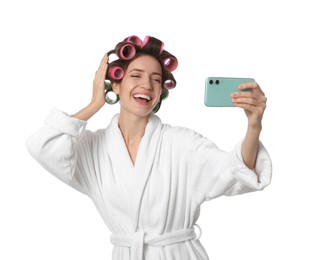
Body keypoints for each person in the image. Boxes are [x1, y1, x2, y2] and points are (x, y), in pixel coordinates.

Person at [26, 35, 272, 260]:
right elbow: (43, 147)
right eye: (136, 76)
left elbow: (235, 170)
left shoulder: (182, 143)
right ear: (116, 85)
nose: (147, 84)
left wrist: (254, 127)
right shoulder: (91, 149)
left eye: (156, 80)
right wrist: (93, 104)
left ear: (159, 94)